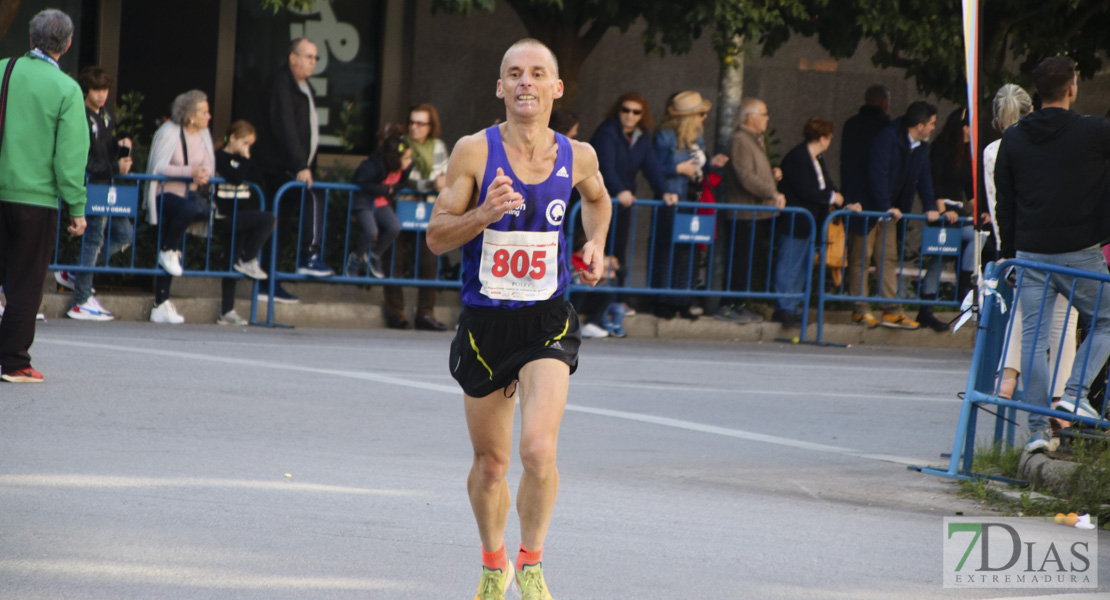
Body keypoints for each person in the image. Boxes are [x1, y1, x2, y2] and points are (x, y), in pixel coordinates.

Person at [425, 38, 611, 600]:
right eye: (514, 74)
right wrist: (484, 213)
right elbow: (436, 236)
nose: (525, 83)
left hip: (546, 320)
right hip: (486, 323)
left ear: (556, 88)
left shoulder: (579, 156)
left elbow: (599, 200)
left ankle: (531, 565)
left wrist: (596, 241)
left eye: (536, 74)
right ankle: (493, 563)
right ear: (500, 88)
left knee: (538, 450)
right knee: (491, 465)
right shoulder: (473, 153)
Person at [995, 56, 1110, 452]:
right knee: (1108, 318)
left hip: (1029, 253)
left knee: (1034, 341)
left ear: (1037, 93)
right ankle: (1076, 393)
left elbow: (1005, 205)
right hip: (1079, 251)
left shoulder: (1013, 138)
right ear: (1073, 88)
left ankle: (1037, 432)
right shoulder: (1093, 132)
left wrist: (1009, 255)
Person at [0, 9, 88, 383]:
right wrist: (77, 209)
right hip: (36, 201)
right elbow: (70, 157)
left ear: (31, 39)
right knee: (24, 284)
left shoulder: (2, 69)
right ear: (66, 45)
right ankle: (14, 363)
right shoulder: (67, 89)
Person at [983, 83, 1076, 419]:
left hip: (1018, 242)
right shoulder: (1043, 144)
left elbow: (999, 207)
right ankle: (1058, 400)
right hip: (1057, 238)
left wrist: (1006, 252)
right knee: (1064, 319)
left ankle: (1006, 378)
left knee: (1026, 312)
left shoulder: (994, 150)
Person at [256, 37, 333, 303]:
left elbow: (307, 130)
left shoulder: (303, 85)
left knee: (281, 227)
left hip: (296, 168)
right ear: (293, 58)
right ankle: (308, 258)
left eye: (315, 57)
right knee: (311, 199)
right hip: (281, 168)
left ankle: (270, 283)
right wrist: (301, 166)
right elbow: (286, 128)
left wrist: (309, 166)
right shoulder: (282, 84)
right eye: (309, 56)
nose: (313, 62)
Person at [849, 100, 938, 330]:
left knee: (887, 258)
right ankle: (860, 309)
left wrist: (930, 205)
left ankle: (892, 310)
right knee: (861, 258)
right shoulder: (888, 137)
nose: (933, 128)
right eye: (931, 124)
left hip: (891, 212)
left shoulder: (920, 146)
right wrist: (885, 205)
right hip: (870, 207)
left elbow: (924, 177)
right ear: (919, 125)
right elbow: (876, 173)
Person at [55, 66, 133, 321]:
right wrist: (114, 166)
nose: (102, 95)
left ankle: (76, 274)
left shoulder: (106, 115)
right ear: (86, 90)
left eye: (105, 90)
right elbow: (82, 159)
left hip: (108, 185)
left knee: (124, 234)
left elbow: (104, 146)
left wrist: (120, 145)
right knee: (94, 239)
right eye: (96, 90)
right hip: (93, 185)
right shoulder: (81, 115)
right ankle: (81, 299)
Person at [652, 90, 727, 320]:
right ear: (689, 116)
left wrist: (712, 164)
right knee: (669, 249)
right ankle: (663, 300)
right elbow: (653, 168)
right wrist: (677, 169)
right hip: (673, 199)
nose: (704, 117)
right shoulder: (665, 136)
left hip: (695, 199)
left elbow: (701, 168)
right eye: (701, 113)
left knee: (691, 250)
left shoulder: (697, 137)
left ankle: (684, 299)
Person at [588, 92, 674, 290]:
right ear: (618, 111)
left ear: (642, 115)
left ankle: (617, 299)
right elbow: (604, 167)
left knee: (617, 250)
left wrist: (665, 191)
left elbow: (652, 167)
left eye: (636, 112)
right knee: (596, 250)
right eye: (625, 110)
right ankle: (591, 302)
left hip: (621, 205)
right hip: (599, 201)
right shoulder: (607, 131)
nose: (630, 115)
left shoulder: (642, 137)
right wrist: (619, 191)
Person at [144, 90, 216, 324]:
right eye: (204, 111)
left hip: (189, 197)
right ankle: (167, 253)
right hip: (164, 194)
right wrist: (190, 172)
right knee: (176, 233)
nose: (209, 116)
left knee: (196, 213)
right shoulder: (169, 132)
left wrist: (203, 174)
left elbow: (207, 165)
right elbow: (159, 167)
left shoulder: (204, 135)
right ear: (190, 115)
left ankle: (161, 303)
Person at [773, 118, 846, 328]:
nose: (830, 141)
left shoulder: (817, 158)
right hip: (796, 221)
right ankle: (783, 308)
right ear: (822, 138)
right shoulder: (798, 158)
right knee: (790, 265)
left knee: (802, 267)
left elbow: (828, 184)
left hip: (811, 222)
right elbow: (806, 190)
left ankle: (792, 307)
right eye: (829, 137)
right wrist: (832, 198)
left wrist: (842, 199)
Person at [716, 97, 782, 324]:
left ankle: (739, 304)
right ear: (750, 117)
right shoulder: (740, 140)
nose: (767, 118)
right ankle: (728, 305)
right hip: (743, 212)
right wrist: (770, 192)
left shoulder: (754, 139)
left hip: (754, 212)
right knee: (739, 261)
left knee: (746, 262)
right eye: (763, 114)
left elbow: (752, 172)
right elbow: (744, 176)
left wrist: (771, 177)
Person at [383, 103, 449, 331]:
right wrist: (431, 183)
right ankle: (396, 312)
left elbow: (445, 177)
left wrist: (436, 183)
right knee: (394, 259)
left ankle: (425, 313)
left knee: (430, 260)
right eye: (411, 122)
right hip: (400, 208)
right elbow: (406, 180)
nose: (414, 127)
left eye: (420, 123)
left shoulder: (438, 146)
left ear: (431, 126)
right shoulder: (400, 144)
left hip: (428, 212)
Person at [918, 108, 977, 332]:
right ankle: (961, 288)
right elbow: (936, 182)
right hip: (943, 210)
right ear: (963, 128)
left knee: (944, 255)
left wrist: (979, 210)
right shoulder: (942, 148)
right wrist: (942, 212)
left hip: (959, 212)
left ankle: (928, 307)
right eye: (971, 126)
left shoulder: (965, 151)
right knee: (940, 256)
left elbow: (969, 191)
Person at [213, 120, 276, 325]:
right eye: (244, 143)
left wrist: (245, 160)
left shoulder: (244, 159)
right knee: (268, 218)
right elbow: (236, 177)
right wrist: (244, 160)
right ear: (232, 138)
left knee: (231, 264)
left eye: (250, 145)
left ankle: (227, 311)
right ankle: (248, 259)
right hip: (225, 216)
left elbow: (257, 178)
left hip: (241, 216)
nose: (247, 149)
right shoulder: (219, 156)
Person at [840, 85, 891, 327]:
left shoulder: (851, 125)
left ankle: (860, 306)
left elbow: (846, 165)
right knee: (885, 258)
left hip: (857, 200)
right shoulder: (886, 128)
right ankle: (891, 307)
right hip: (880, 201)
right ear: (884, 103)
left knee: (860, 258)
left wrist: (849, 196)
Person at [348, 132, 408, 281]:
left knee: (394, 227)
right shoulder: (374, 166)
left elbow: (403, 183)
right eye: (406, 158)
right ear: (395, 159)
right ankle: (355, 258)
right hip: (364, 202)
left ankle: (374, 255)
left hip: (381, 202)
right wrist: (386, 190)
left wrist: (393, 188)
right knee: (371, 231)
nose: (410, 161)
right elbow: (361, 181)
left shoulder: (404, 168)